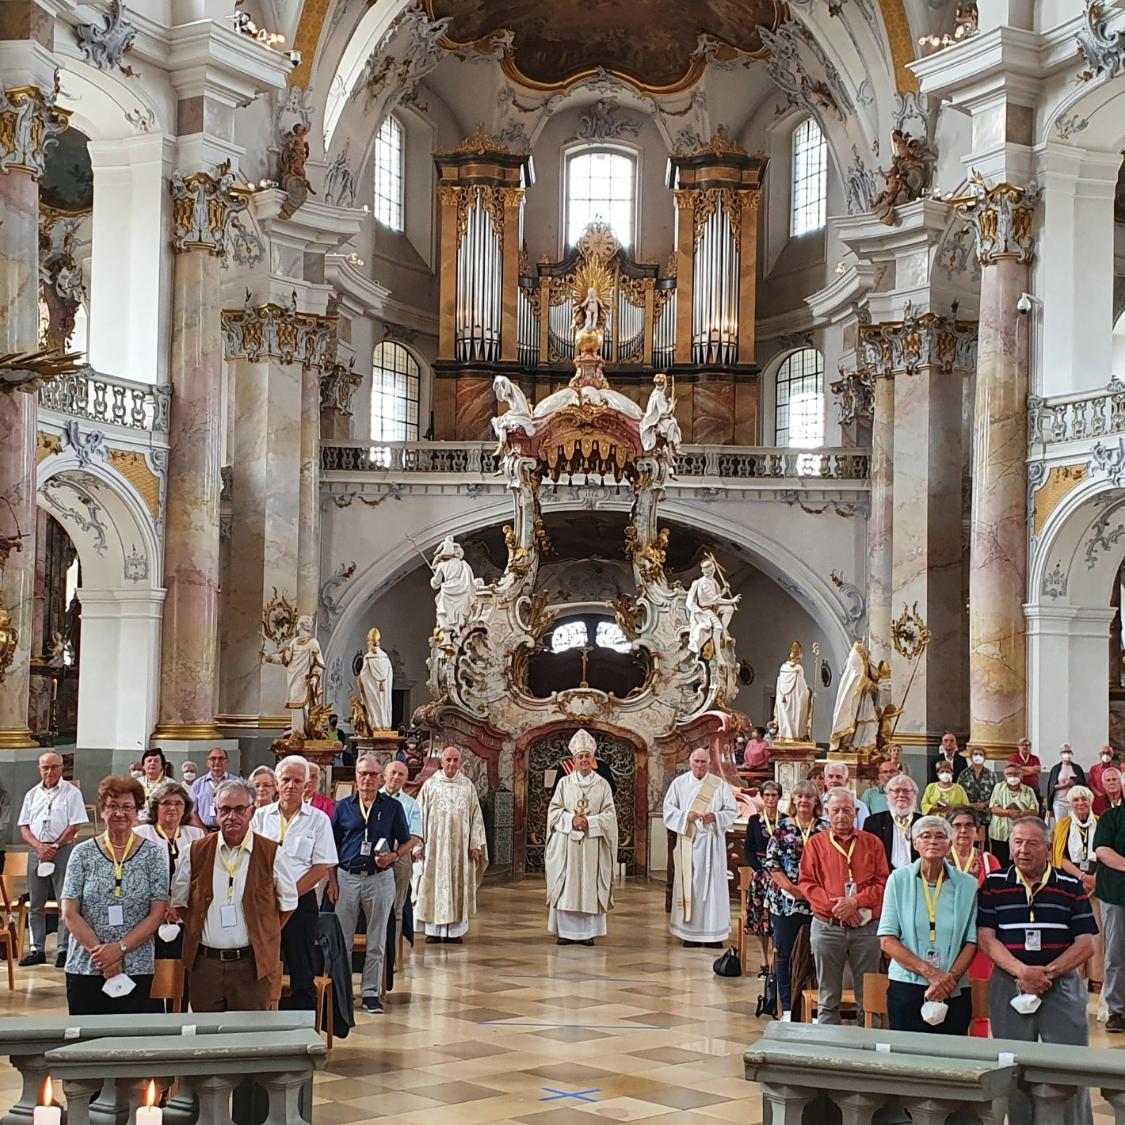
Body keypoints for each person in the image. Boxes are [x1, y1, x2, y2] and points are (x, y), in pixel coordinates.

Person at [978, 817, 1097, 1125]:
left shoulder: (1070, 886)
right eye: (1017, 842)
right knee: (1013, 1064)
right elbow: (987, 939)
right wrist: (1022, 972)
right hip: (1009, 983)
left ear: (1047, 848)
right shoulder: (994, 884)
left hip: (1061, 985)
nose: (1023, 850)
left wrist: (1048, 973)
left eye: (1032, 843)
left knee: (1070, 1066)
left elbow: (1086, 944)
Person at [170, 778, 299, 1012]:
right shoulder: (195, 851)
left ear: (252, 812)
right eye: (225, 810)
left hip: (252, 965)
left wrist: (264, 933)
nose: (232, 817)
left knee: (249, 1040)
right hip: (206, 965)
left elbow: (288, 904)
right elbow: (180, 902)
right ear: (216, 812)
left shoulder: (272, 853)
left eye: (240, 810)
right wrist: (201, 929)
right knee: (205, 1039)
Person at [59, 776, 167, 1015]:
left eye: (127, 807)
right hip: (86, 965)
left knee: (134, 1047)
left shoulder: (155, 855)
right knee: (87, 1046)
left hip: (137, 966)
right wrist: (103, 956)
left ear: (137, 810)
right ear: (102, 810)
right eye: (112, 806)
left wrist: (119, 949)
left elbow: (157, 914)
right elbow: (69, 913)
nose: (120, 813)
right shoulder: (82, 854)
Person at [251, 756, 338, 1010]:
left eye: (297, 780)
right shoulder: (260, 817)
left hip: (301, 901)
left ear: (307, 785)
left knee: (301, 964)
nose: (291, 785)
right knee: (261, 962)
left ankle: (303, 1024)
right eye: (286, 780)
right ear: (277, 783)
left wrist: (288, 895)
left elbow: (321, 867)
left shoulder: (318, 819)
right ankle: (260, 1016)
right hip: (264, 901)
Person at [877, 815, 978, 1035]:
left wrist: (948, 980)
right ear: (915, 844)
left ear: (950, 845)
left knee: (951, 1060)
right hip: (907, 987)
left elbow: (972, 941)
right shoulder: (898, 880)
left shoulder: (968, 885)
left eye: (940, 836)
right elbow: (887, 940)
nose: (933, 841)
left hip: (954, 988)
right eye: (925, 836)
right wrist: (932, 974)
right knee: (906, 1059)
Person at [328, 754, 413, 1014]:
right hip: (346, 877)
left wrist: (395, 856)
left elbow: (408, 840)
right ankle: (341, 993)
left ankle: (370, 993)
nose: (367, 779)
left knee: (377, 939)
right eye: (363, 774)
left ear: (380, 778)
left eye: (373, 775)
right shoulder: (343, 807)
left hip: (379, 877)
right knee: (343, 939)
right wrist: (332, 881)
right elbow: (330, 847)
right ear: (356, 776)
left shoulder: (392, 807)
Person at [799, 787, 890, 1025]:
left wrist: (855, 902)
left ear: (856, 811)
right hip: (828, 926)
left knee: (869, 998)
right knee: (828, 997)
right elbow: (808, 883)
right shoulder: (816, 844)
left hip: (865, 927)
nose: (841, 815)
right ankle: (830, 1052)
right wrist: (838, 908)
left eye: (847, 810)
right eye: (836, 810)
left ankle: (870, 1050)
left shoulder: (873, 843)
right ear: (827, 812)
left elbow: (883, 883)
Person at [547, 730, 618, 946]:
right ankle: (566, 932)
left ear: (593, 759)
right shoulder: (564, 784)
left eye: (587, 756)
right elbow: (553, 811)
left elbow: (610, 815)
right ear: (574, 760)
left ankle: (588, 933)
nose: (584, 760)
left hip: (593, 845)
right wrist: (570, 820)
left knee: (589, 883)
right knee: (568, 884)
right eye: (580, 757)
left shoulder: (603, 785)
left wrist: (590, 821)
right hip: (568, 844)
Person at [18, 751, 88, 967]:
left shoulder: (72, 793)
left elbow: (75, 825)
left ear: (61, 768)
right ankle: (36, 948)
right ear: (39, 769)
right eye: (45, 768)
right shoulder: (32, 794)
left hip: (63, 851)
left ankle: (63, 949)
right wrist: (39, 846)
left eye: (53, 767)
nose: (49, 772)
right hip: (37, 852)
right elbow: (24, 827)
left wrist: (55, 845)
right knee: (35, 903)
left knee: (64, 902)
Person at [763, 781, 826, 1020]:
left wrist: (812, 893)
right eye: (799, 796)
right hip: (785, 901)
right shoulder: (781, 828)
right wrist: (793, 888)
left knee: (816, 953)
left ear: (816, 801)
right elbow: (772, 864)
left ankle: (815, 1007)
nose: (803, 801)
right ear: (793, 801)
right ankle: (788, 1007)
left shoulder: (825, 829)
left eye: (808, 797)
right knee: (785, 954)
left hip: (817, 901)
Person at [664, 748, 738, 949]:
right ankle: (690, 934)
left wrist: (715, 816)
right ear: (690, 762)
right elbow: (668, 811)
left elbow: (732, 810)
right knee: (691, 887)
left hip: (712, 845)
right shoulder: (679, 784)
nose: (699, 765)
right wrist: (686, 816)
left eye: (703, 762)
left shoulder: (718, 784)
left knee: (714, 888)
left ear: (709, 764)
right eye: (696, 761)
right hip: (689, 842)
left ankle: (714, 934)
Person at [415, 747, 487, 943]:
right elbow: (419, 816)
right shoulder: (430, 785)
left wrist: (475, 844)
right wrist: (418, 845)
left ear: (460, 762)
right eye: (448, 760)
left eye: (455, 760)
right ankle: (433, 931)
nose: (452, 764)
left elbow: (476, 817)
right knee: (435, 885)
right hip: (435, 848)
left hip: (460, 850)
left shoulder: (467, 786)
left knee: (457, 885)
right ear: (441, 761)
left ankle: (455, 931)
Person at [133, 780, 205, 961]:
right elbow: (138, 875)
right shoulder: (141, 834)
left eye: (178, 803)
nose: (172, 808)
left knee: (181, 965)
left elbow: (199, 875)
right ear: (156, 807)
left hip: (185, 911)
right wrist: (163, 903)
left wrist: (178, 906)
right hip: (148, 912)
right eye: (166, 803)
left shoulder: (195, 835)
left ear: (185, 808)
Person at [946, 804, 1001, 1034]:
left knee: (980, 1000)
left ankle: (979, 1049)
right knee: (951, 995)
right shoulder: (939, 860)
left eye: (969, 826)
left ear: (977, 832)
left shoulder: (990, 862)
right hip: (949, 939)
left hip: (980, 939)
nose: (963, 831)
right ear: (949, 830)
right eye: (957, 826)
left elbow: (999, 901)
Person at [1052, 786, 1103, 997]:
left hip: (1099, 884)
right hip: (1072, 884)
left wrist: (1095, 880)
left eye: (1083, 799)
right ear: (1070, 804)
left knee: (1098, 934)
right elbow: (1058, 857)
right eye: (1076, 800)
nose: (1080, 804)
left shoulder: (1101, 823)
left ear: (1090, 801)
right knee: (1074, 932)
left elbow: (1107, 852)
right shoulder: (1063, 825)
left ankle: (1098, 978)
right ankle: (1075, 975)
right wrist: (1082, 878)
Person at [1094, 780, 1125, 1033]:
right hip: (1117, 895)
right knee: (1116, 954)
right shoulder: (1112, 817)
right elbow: (1103, 851)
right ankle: (1117, 1010)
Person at [380, 760, 423, 935]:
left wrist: (396, 854)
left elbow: (415, 835)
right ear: (384, 775)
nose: (396, 777)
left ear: (406, 780)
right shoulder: (373, 797)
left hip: (400, 855)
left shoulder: (410, 804)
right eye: (393, 772)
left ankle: (393, 952)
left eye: (401, 775)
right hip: (375, 856)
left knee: (397, 905)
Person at [744, 780, 783, 969]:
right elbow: (748, 849)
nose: (770, 799)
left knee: (776, 918)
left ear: (779, 797)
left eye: (773, 795)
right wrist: (761, 870)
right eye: (766, 795)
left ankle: (777, 959)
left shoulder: (785, 820)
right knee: (760, 918)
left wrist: (776, 871)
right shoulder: (754, 820)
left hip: (779, 876)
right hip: (760, 875)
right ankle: (763, 961)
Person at [864, 774, 922, 870]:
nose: (901, 794)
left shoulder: (924, 823)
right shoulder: (873, 822)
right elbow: (868, 858)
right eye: (896, 791)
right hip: (885, 880)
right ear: (888, 795)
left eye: (906, 791)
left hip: (917, 879)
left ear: (915, 795)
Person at [988, 763, 1040, 865]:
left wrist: (1020, 814)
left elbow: (1035, 811)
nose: (1013, 777)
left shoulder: (1028, 791)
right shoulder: (998, 788)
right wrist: (1008, 813)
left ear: (1021, 775)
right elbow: (994, 808)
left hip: (1022, 834)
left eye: (1016, 774)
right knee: (1000, 863)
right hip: (1000, 832)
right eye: (1009, 774)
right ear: (1005, 776)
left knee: (1020, 862)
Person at [189, 748, 238, 831]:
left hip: (229, 830)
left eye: (221, 758)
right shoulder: (198, 784)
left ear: (227, 762)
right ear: (208, 763)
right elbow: (191, 812)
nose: (217, 761)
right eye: (213, 758)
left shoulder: (237, 783)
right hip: (203, 831)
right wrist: (204, 832)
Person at [957, 747, 997, 844]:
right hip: (968, 813)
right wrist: (969, 805)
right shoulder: (964, 774)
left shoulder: (991, 774)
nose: (978, 756)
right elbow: (959, 792)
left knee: (986, 842)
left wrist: (985, 804)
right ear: (971, 757)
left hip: (986, 814)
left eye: (981, 754)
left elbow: (996, 794)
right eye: (975, 754)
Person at [773, 644, 811, 742]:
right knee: (795, 717)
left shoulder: (783, 668)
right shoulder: (798, 669)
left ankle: (785, 735)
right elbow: (802, 690)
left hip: (783, 699)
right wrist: (810, 693)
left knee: (785, 718)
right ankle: (795, 736)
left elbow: (779, 685)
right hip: (794, 700)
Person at [1046, 745, 1088, 825]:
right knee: (1060, 825)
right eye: (1064, 752)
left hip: (1074, 803)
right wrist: (1065, 785)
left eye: (1068, 752)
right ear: (1061, 754)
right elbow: (1052, 787)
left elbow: (1083, 785)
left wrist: (1074, 784)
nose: (1066, 754)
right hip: (1059, 803)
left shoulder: (1077, 768)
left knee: (1074, 824)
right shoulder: (1056, 768)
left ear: (1072, 753)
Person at [824, 762, 869, 828]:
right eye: (830, 777)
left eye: (839, 777)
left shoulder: (860, 805)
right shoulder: (817, 804)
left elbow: (864, 831)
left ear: (846, 781)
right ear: (825, 780)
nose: (834, 780)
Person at [1008, 738, 1042, 802]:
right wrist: (1032, 770)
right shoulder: (1013, 757)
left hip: (1033, 787)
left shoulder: (1035, 758)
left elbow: (1038, 770)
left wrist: (1021, 768)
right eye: (1022, 745)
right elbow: (1014, 770)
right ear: (1018, 747)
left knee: (1035, 808)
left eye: (1027, 745)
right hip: (1018, 787)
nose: (1024, 747)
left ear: (1030, 747)